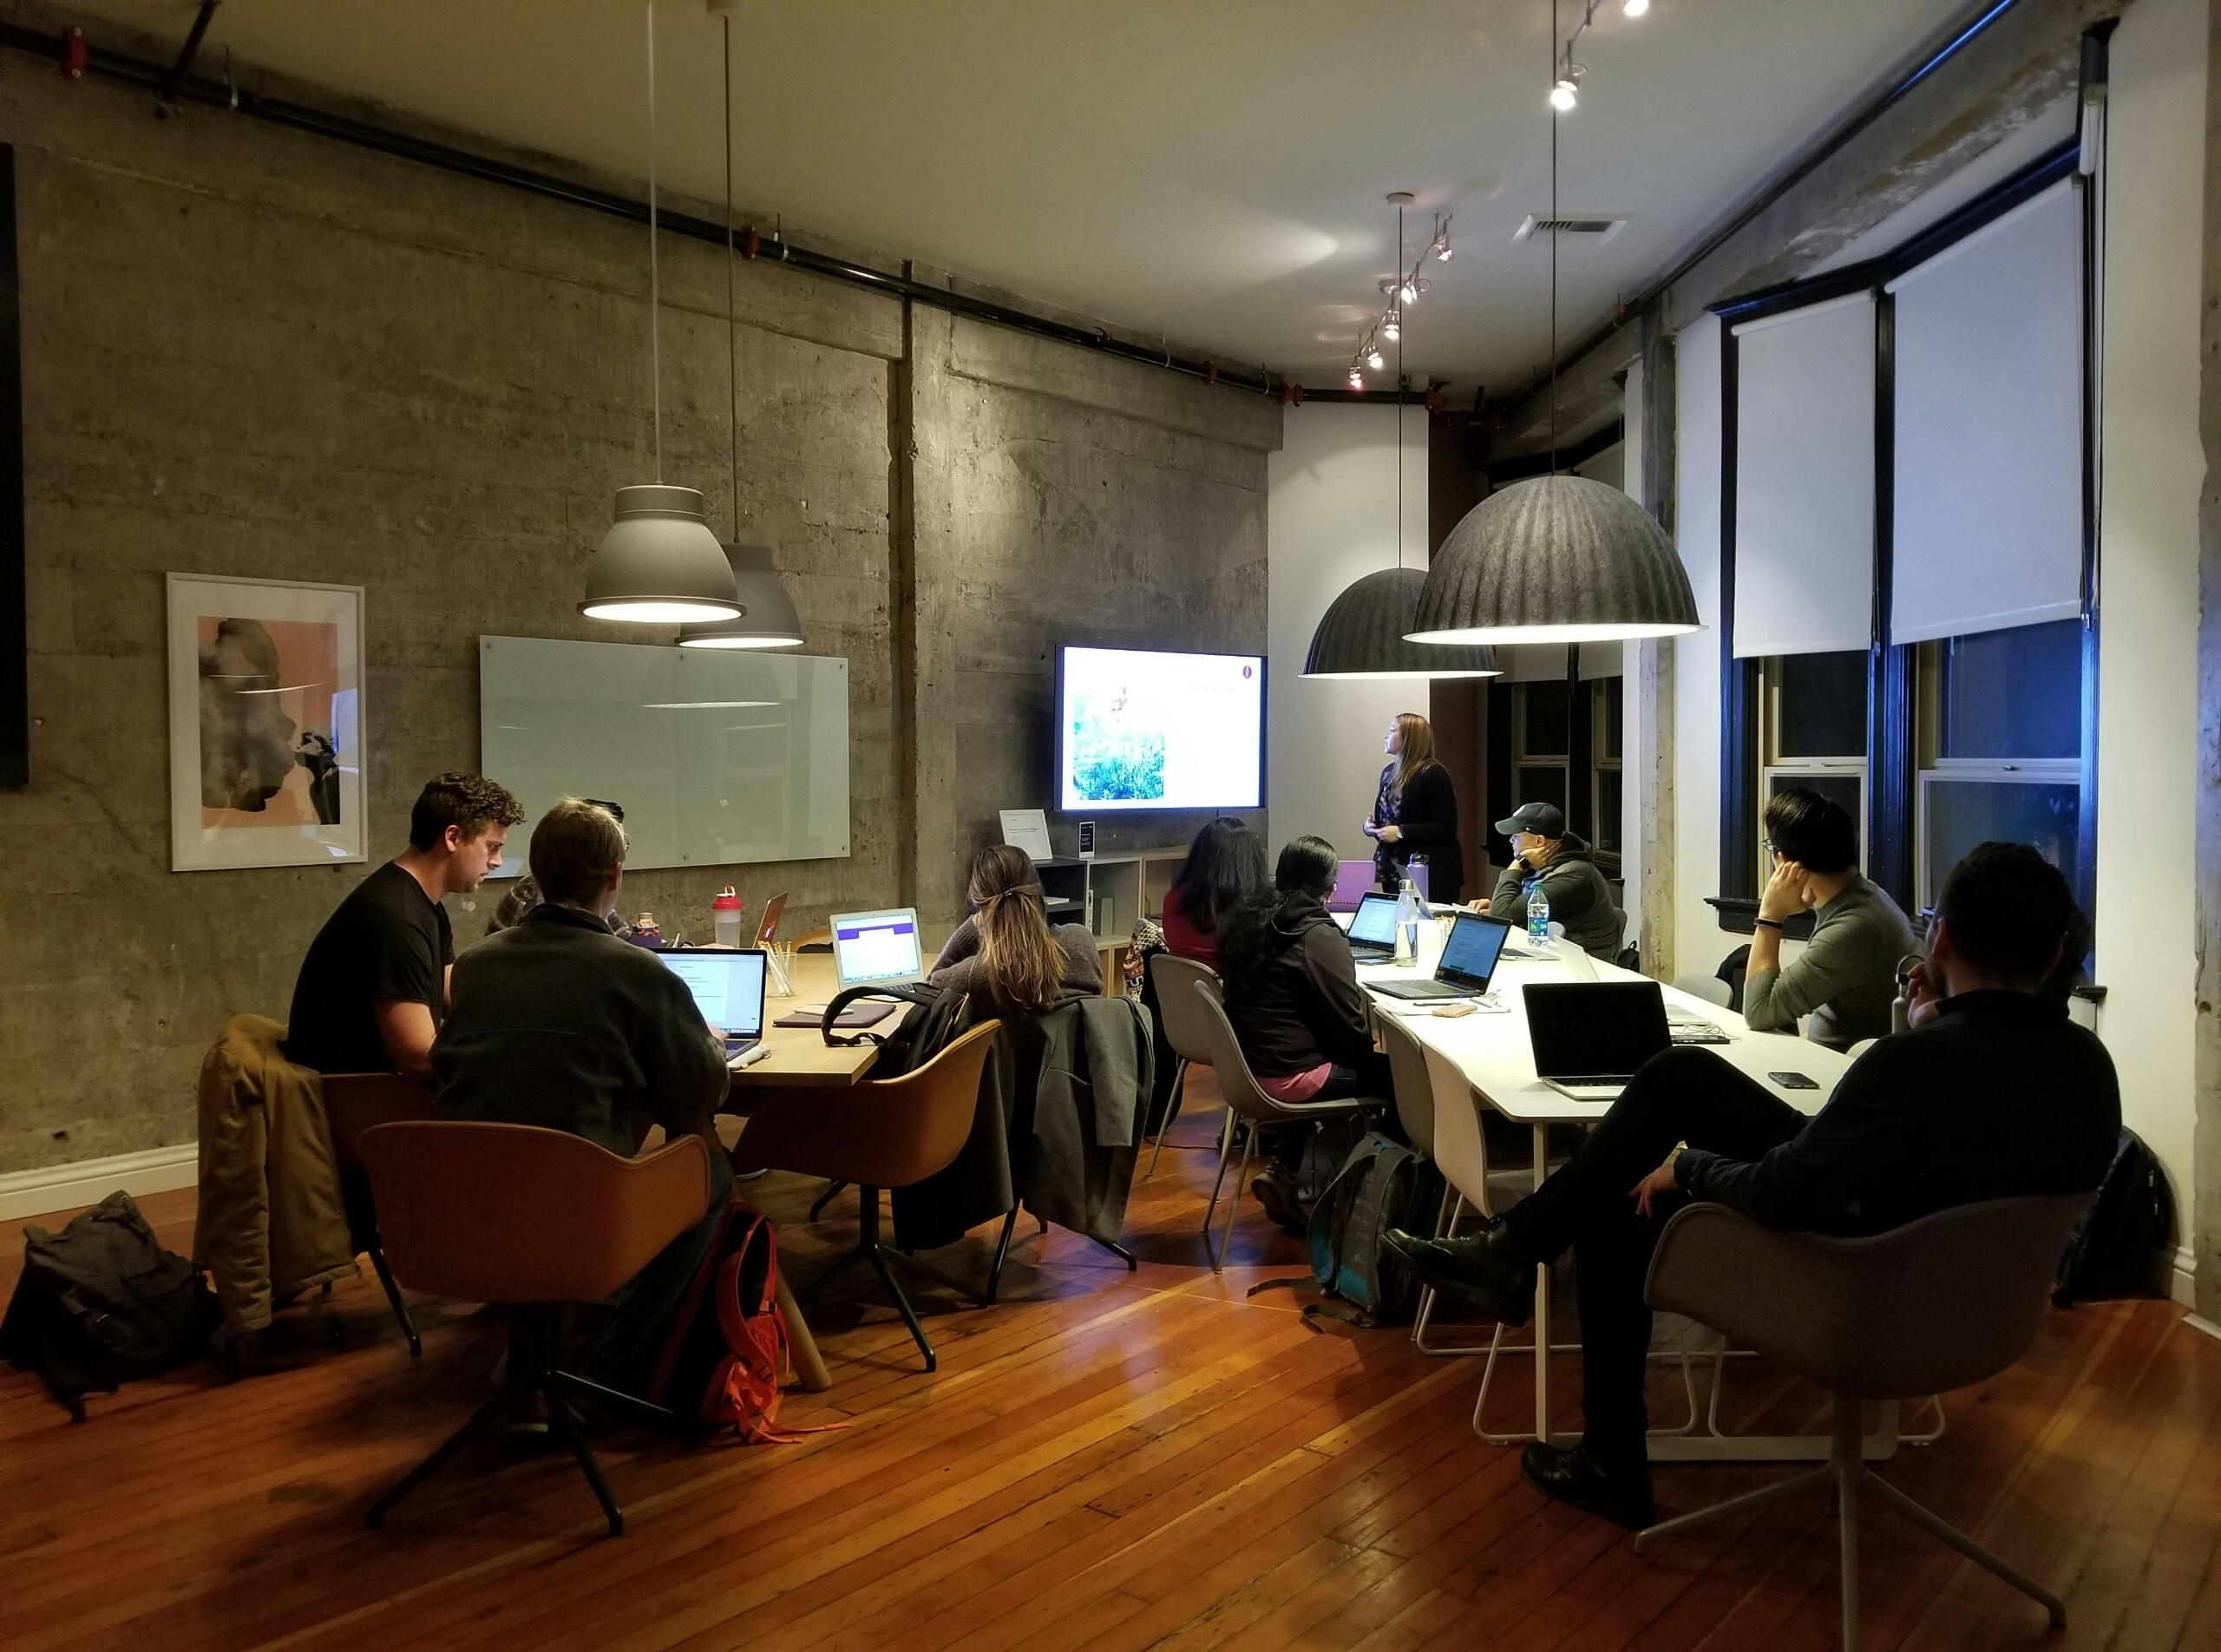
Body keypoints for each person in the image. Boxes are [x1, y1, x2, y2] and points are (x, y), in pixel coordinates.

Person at [1387, 842, 2119, 1531]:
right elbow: (1950, 1147)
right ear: (2056, 953)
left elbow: (1784, 1192)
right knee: (1684, 1074)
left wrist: (1691, 1167)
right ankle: (1518, 1253)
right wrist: (1935, 1024)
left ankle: (1602, 1435)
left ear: (1943, 940)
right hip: (1972, 1305)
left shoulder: (1911, 1064)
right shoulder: (2090, 1069)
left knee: (1627, 1197)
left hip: (1852, 1289)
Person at [431, 798, 732, 1395]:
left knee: (533, 1156)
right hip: (586, 1210)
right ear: (614, 877)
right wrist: (710, 1044)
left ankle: (530, 1361)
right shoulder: (640, 973)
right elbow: (699, 1095)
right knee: (711, 1168)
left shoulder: (473, 967)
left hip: (466, 1205)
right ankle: (615, 1364)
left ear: (536, 876)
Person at [285, 771, 524, 1081]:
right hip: (357, 1101)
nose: (498, 862)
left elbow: (454, 995)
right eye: (492, 847)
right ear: (452, 838)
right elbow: (419, 1058)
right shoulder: (398, 919)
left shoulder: (423, 904)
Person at [1216, 835, 1395, 1227]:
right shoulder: (1316, 934)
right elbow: (1349, 1030)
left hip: (1249, 1069)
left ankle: (1284, 1168)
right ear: (1330, 888)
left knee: (1319, 1050)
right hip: (1290, 1077)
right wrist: (1385, 1055)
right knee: (1405, 1082)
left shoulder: (1249, 921)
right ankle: (1378, 1204)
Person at [1742, 788, 1916, 1050]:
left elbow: (1758, 1012)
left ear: (1786, 862)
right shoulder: (1868, 895)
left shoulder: (1853, 927)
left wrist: (1769, 917)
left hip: (1839, 1072)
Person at [929, 844, 1103, 1014]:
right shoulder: (1081, 944)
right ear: (1037, 894)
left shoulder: (977, 975)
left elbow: (930, 989)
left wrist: (972, 926)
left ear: (980, 905)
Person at [1478, 802, 1621, 960]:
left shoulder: (1574, 876)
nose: (1511, 840)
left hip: (1580, 967)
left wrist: (1517, 864)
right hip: (1549, 955)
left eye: (1516, 836)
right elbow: (1509, 911)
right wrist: (1496, 905)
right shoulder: (1546, 866)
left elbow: (1502, 914)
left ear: (1539, 841)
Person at [1364, 712, 1463, 902]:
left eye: (1392, 731)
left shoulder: (1433, 773)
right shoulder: (1388, 773)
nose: (1386, 736)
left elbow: (1446, 827)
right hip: (1394, 866)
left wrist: (1402, 832)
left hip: (1430, 870)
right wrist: (1372, 828)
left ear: (1409, 739)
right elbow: (1392, 820)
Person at [1160, 819, 1268, 968]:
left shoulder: (1173, 900)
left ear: (1199, 857)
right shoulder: (1252, 912)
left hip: (1182, 989)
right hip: (1232, 990)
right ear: (1251, 863)